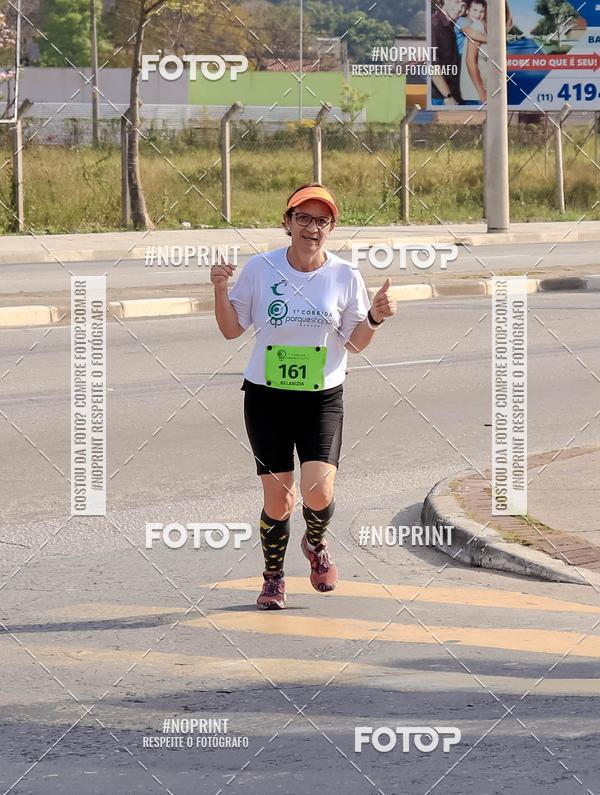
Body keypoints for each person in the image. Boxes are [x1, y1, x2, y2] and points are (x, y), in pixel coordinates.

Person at [210, 183, 397, 609]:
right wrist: (220, 289)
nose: (312, 228)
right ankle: (273, 577)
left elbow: (354, 344)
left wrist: (374, 317)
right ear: (288, 222)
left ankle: (315, 543)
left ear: (332, 228)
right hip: (266, 398)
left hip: (321, 398)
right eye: (304, 218)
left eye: (322, 221)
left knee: (319, 492)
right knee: (279, 499)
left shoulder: (345, 275)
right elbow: (230, 330)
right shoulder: (261, 269)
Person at [431, 0, 466, 105]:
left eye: (463, 5)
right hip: (442, 99)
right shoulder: (434, 24)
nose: (459, 9)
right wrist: (448, 96)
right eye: (456, 2)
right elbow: (432, 66)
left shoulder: (450, 25)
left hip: (452, 95)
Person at [459, 0, 488, 104]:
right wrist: (494, 40)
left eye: (482, 11)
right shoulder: (464, 21)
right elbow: (472, 34)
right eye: (475, 10)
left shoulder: (477, 24)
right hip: (474, 94)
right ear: (467, 10)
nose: (478, 14)